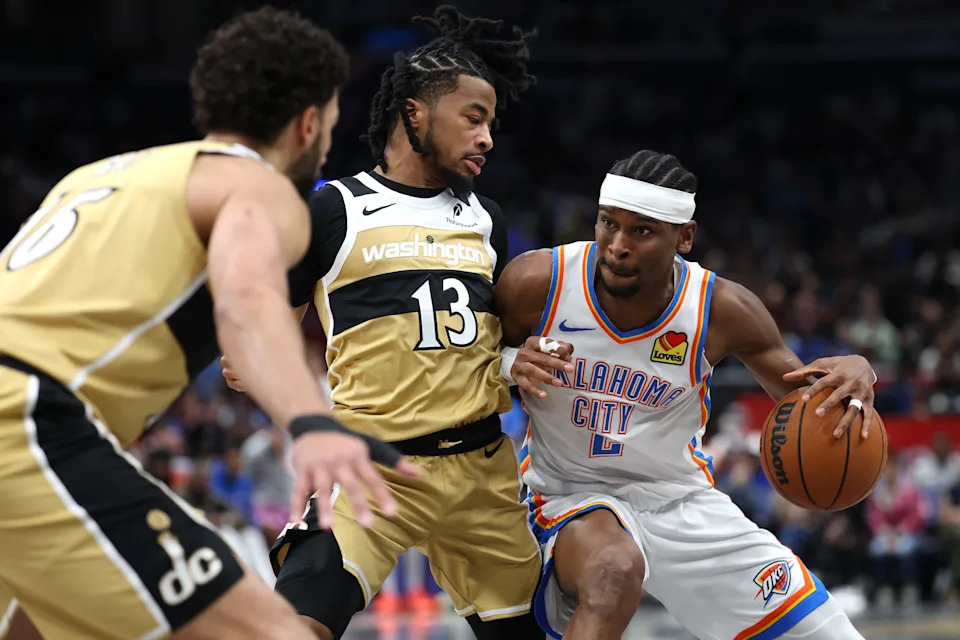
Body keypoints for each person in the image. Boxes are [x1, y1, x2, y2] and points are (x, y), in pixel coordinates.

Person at [0, 8, 413, 640]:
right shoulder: (260, 187)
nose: (328, 141)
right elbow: (247, 298)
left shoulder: (96, 177)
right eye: (330, 124)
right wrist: (312, 421)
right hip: (24, 421)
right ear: (308, 125)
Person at [223, 6, 550, 640]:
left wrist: (519, 361)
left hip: (483, 471)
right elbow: (268, 326)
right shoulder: (332, 207)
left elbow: (496, 347)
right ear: (414, 112)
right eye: (473, 118)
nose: (486, 138)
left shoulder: (488, 218)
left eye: (492, 124)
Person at [494, 149, 878, 640]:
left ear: (685, 237)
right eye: (608, 223)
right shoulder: (537, 282)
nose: (618, 245)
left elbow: (810, 391)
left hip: (680, 500)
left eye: (642, 231)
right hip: (568, 495)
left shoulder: (722, 308)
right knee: (614, 568)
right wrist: (507, 363)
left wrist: (858, 370)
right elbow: (462, 367)